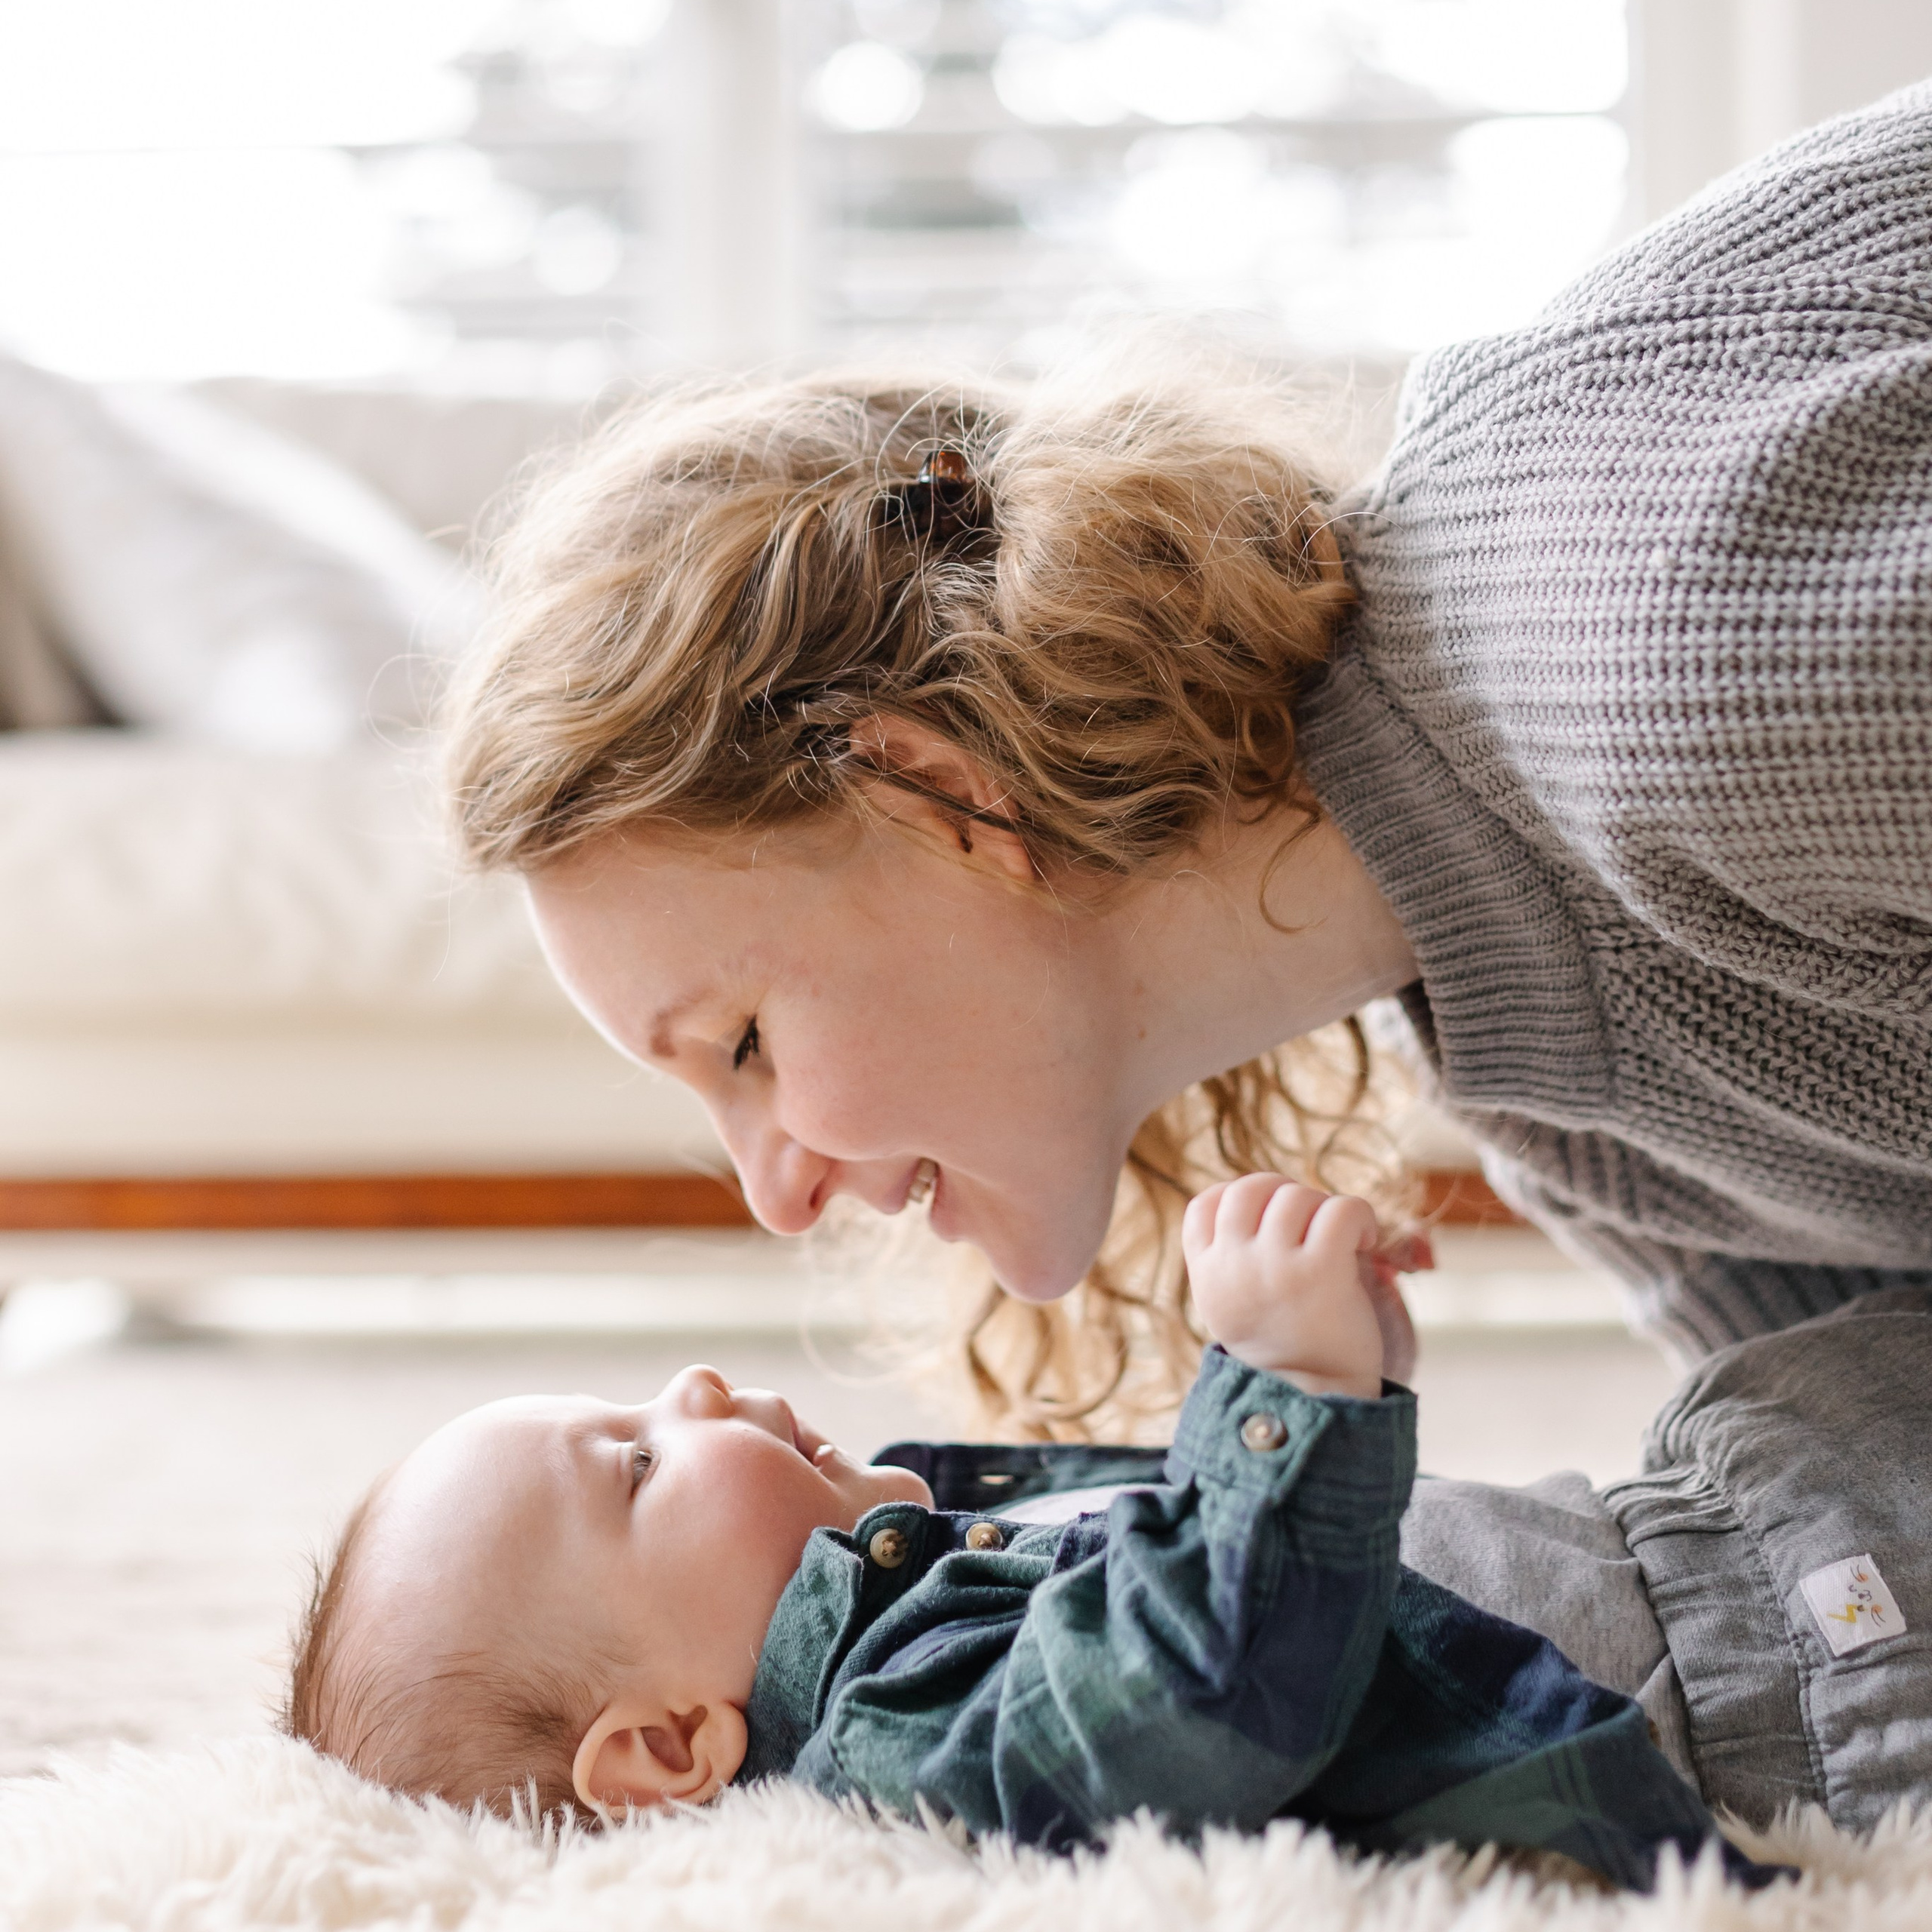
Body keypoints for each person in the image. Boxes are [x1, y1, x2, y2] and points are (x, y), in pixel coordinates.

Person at [444, 83, 1930, 1435]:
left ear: (943, 793)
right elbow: (1858, 1504)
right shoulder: (1542, 1073)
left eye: (744, 1045)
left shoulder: (1664, 664)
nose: (778, 1194)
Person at [283, 1176, 1779, 1892]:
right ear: (673, 1747)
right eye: (634, 1460)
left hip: (1676, 1527)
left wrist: (1343, 1382)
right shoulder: (907, 1738)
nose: (688, 1384)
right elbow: (1203, 1684)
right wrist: (1287, 1389)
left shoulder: (923, 1564)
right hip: (1756, 1676)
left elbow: (1230, 1547)